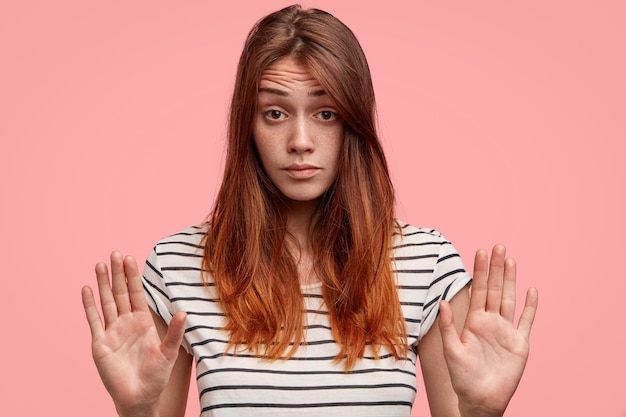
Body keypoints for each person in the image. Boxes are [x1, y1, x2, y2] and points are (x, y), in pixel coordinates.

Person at [81, 5, 538, 417]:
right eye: (275, 113)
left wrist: (481, 412)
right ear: (248, 123)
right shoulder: (179, 266)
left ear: (353, 122)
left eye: (325, 113)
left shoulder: (426, 264)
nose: (300, 141)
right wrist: (136, 409)